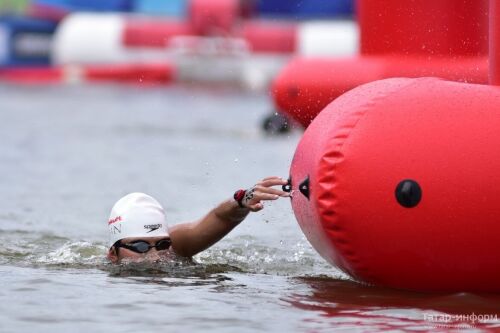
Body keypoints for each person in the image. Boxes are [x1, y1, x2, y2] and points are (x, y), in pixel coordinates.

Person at [107, 176, 290, 263]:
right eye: (140, 246)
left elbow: (220, 217)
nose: (155, 256)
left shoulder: (176, 245)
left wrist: (241, 200)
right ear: (113, 253)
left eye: (162, 245)